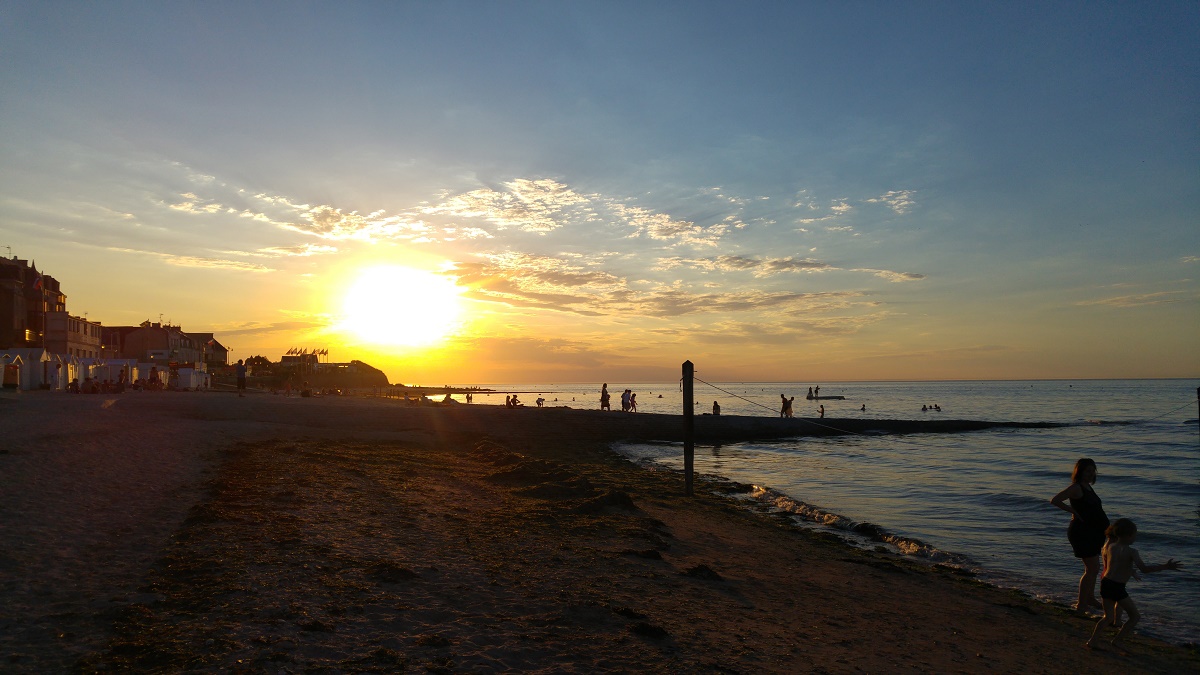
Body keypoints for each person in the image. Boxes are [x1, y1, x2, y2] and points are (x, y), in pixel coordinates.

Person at [1086, 518, 1182, 654]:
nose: (1135, 537)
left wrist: (1130, 572)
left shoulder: (1110, 547)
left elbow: (1115, 565)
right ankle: (1117, 641)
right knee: (1135, 616)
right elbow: (1144, 569)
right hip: (1118, 587)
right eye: (1135, 535)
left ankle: (1093, 640)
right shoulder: (1132, 551)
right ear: (1129, 535)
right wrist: (1166, 566)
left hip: (1106, 583)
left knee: (1107, 617)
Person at [1050, 458, 1110, 613]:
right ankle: (1081, 605)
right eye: (1088, 470)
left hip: (1094, 532)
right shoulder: (1076, 488)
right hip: (1082, 532)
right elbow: (1055, 500)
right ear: (1080, 471)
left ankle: (1089, 597)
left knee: (1093, 569)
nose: (1091, 474)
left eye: (1093, 471)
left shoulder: (1088, 487)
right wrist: (1073, 511)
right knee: (1092, 569)